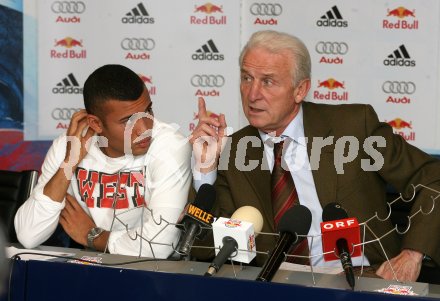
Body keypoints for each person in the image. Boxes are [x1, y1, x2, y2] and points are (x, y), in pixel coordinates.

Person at [189, 30, 440, 281]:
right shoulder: (233, 150)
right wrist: (205, 172)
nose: (252, 94)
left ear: (300, 89)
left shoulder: (353, 128)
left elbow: (432, 177)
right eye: (246, 78)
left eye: (267, 81)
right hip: (274, 286)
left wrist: (412, 254)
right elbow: (204, 250)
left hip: (366, 278)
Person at [15, 64, 192, 258]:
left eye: (148, 111)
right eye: (128, 121)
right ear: (96, 124)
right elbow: (28, 235)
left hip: (157, 274)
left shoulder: (170, 146)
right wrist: (69, 163)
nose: (144, 129)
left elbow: (159, 245)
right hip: (91, 268)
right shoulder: (70, 146)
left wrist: (93, 236)